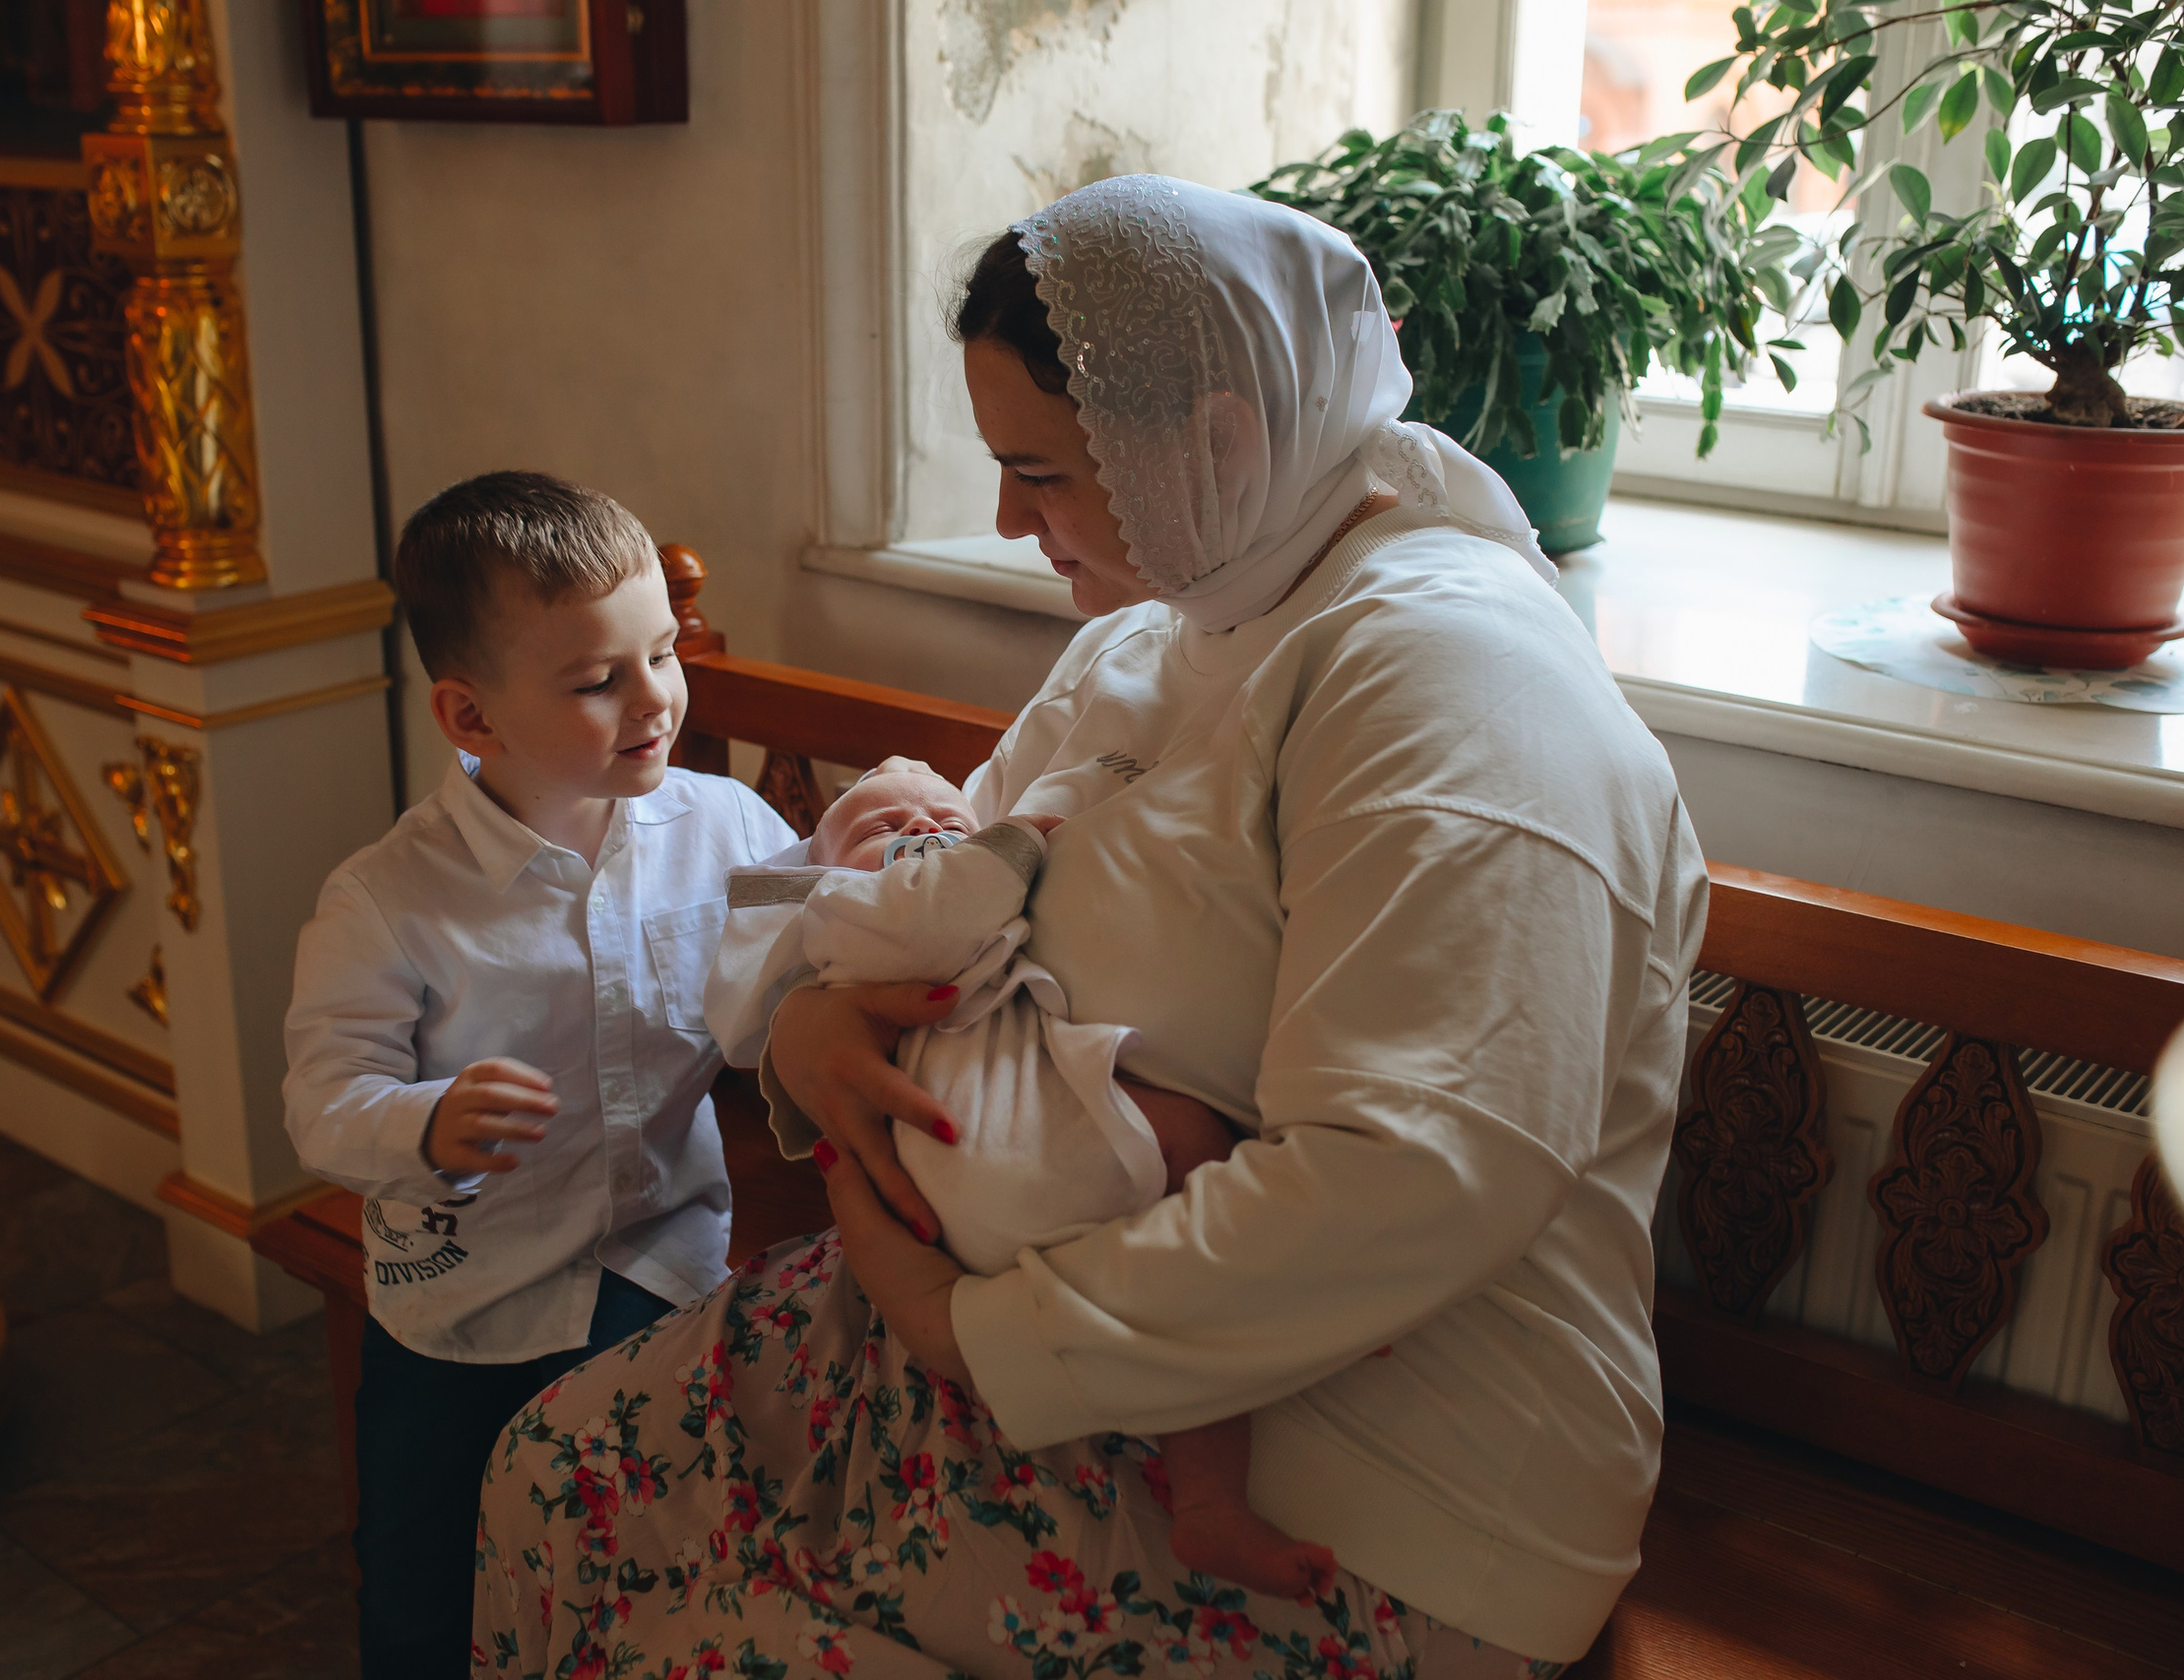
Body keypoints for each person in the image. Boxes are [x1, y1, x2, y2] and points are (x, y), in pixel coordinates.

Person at [473, 177, 1707, 1678]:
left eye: (1041, 471)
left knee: (696, 1647)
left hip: (1372, 1475)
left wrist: (958, 1330)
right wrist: (806, 1020)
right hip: (1006, 1318)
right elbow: (928, 893)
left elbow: (1421, 1173)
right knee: (550, 1471)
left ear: (1219, 439)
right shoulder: (1158, 626)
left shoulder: (1456, 686)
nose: (1006, 518)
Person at [282, 471, 796, 1678]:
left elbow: (797, 975)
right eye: (596, 681)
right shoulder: (388, 901)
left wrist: (870, 862)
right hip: (465, 1302)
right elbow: (324, 1100)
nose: (656, 699)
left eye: (662, 654)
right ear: (470, 719)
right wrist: (426, 1123)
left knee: (643, 1564)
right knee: (423, 1583)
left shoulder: (723, 828)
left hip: (660, 1264)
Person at [709, 766, 1336, 1597]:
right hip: (983, 1143)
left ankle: (1211, 1501)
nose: (922, 826)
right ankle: (1296, 1297)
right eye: (878, 825)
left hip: (982, 1168)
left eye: (945, 814)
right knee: (1200, 1153)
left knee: (1191, 1245)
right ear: (818, 875)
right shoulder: (846, 917)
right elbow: (942, 909)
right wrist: (1015, 841)